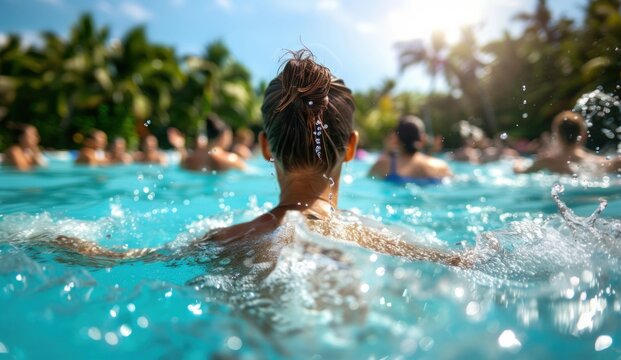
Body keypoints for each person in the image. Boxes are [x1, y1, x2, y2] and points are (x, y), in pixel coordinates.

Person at [50, 50, 485, 269]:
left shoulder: (222, 240)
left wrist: (50, 237)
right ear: (351, 148)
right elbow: (464, 261)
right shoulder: (383, 244)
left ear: (264, 147)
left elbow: (114, 258)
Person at [514, 111, 607, 174]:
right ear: (582, 136)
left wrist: (517, 162)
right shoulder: (597, 161)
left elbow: (520, 171)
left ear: (556, 136)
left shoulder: (548, 161)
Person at [368, 115, 452, 184]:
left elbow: (369, 180)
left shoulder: (384, 165)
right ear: (422, 139)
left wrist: (386, 149)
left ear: (396, 139)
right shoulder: (441, 166)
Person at [168, 114, 245, 172]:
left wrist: (180, 147)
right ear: (224, 136)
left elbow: (183, 165)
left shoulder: (194, 157)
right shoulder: (229, 159)